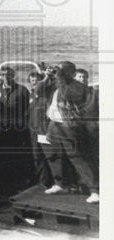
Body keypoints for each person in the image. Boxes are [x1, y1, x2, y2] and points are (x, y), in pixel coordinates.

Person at [44, 61, 99, 203]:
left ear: (71, 73)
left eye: (61, 71)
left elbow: (88, 109)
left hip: (68, 126)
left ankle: (94, 190)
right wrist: (47, 77)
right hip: (53, 124)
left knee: (77, 157)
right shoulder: (57, 83)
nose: (58, 73)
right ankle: (60, 184)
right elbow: (39, 90)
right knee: (54, 155)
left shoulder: (78, 88)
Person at [0, 67, 31, 188]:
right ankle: (7, 179)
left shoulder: (22, 90)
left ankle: (23, 178)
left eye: (8, 75)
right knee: (4, 154)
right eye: (3, 75)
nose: (5, 77)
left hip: (18, 128)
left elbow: (28, 109)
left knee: (19, 153)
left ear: (13, 76)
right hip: (2, 128)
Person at [26, 70, 55, 188]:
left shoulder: (47, 95)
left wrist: (47, 77)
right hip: (33, 130)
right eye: (32, 81)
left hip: (44, 130)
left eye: (36, 80)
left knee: (48, 155)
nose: (34, 83)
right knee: (37, 155)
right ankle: (42, 180)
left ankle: (51, 181)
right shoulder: (30, 95)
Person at [73, 69, 100, 189]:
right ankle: (81, 181)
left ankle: (95, 183)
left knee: (93, 155)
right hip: (76, 128)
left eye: (84, 77)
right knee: (79, 155)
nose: (82, 79)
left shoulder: (94, 92)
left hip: (91, 127)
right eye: (79, 77)